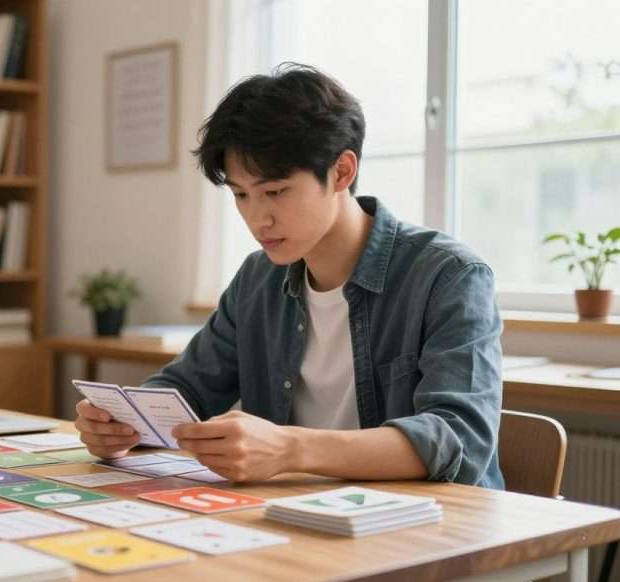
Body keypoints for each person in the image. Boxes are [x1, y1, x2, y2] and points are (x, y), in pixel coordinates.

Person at [74, 63, 504, 488]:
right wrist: (123, 424)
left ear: (341, 171)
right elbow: (187, 388)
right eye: (241, 195)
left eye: (275, 191)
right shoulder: (257, 279)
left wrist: (290, 449)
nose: (258, 218)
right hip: (297, 519)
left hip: (429, 527)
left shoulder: (449, 277)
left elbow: (458, 439)